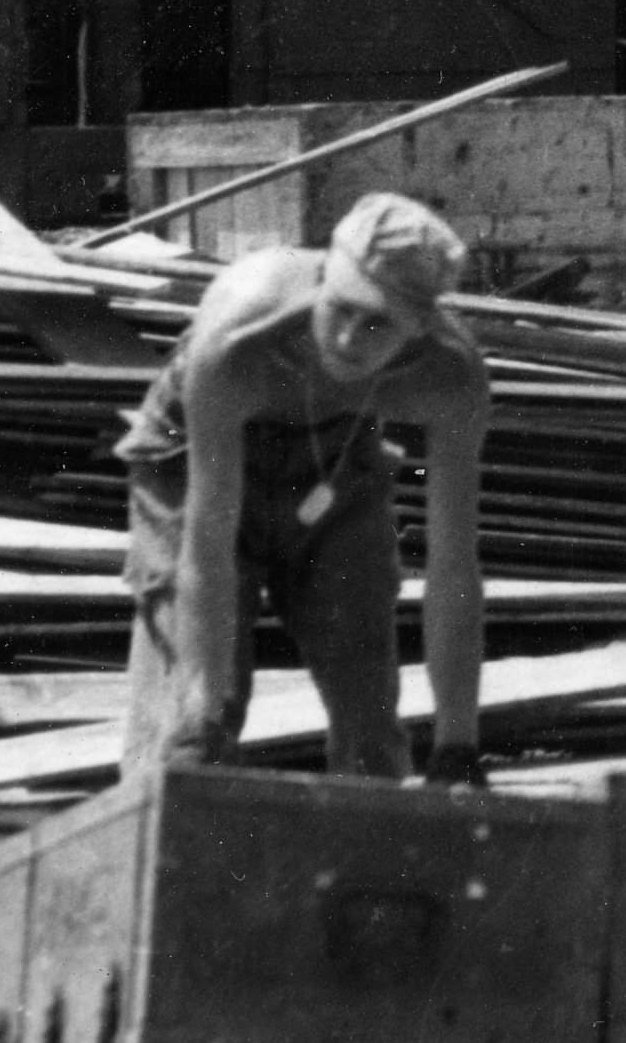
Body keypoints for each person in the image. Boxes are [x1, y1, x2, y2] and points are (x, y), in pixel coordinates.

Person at [113, 189, 493, 781]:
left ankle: (371, 864)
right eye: (340, 308)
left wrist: (458, 746)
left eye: (377, 324)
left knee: (368, 709)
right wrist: (201, 718)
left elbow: (453, 570)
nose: (347, 339)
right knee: (188, 727)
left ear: (419, 327)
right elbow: (209, 545)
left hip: (338, 456)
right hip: (191, 461)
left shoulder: (449, 378)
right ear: (321, 276)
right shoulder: (240, 341)